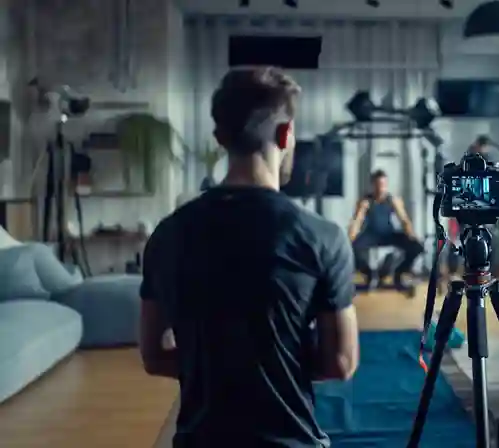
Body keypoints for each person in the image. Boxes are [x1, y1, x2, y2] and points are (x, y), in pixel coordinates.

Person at [138, 66, 359, 448]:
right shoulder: (323, 237)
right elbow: (341, 362)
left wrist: (216, 363)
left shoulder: (168, 233)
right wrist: (273, 361)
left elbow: (154, 356)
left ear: (220, 137)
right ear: (286, 134)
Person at [348, 170, 424, 292]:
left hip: (388, 234)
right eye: (378, 185)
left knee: (418, 247)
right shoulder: (365, 201)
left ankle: (398, 273)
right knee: (349, 249)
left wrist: (411, 235)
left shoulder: (393, 200)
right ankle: (370, 274)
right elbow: (357, 221)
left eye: (383, 185)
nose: (380, 188)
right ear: (373, 185)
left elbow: (404, 220)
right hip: (371, 235)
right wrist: (350, 238)